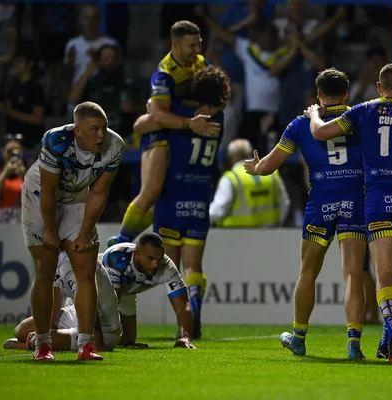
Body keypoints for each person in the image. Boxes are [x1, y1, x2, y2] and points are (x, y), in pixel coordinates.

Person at [307, 63, 392, 361]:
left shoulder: (365, 110)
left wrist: (313, 114)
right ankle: (387, 342)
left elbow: (321, 134)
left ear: (379, 88)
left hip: (380, 197)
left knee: (384, 273)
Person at [244, 68, 368, 359]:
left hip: (321, 201)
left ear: (318, 94)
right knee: (353, 273)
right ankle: (353, 345)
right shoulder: (361, 117)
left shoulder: (301, 123)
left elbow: (270, 165)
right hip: (355, 200)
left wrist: (255, 168)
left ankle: (299, 337)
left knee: (308, 272)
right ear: (346, 94)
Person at [21, 101, 124, 361]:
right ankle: (42, 344)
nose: (101, 135)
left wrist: (85, 232)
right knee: (45, 269)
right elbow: (48, 191)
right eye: (94, 129)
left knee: (85, 270)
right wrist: (51, 231)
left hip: (78, 197)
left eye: (104, 128)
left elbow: (100, 191)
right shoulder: (55, 141)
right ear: (77, 130)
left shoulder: (115, 145)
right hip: (40, 197)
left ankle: (86, 345)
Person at [108, 20, 219, 247]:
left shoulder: (200, 63)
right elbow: (158, 116)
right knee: (152, 191)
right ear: (175, 45)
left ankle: (124, 240)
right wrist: (189, 123)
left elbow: (218, 93)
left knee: (166, 199)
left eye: (199, 44)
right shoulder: (164, 74)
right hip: (162, 132)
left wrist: (211, 107)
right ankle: (121, 242)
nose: (197, 50)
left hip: (178, 132)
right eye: (192, 46)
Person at [151, 66, 230, 339]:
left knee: (170, 269)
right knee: (194, 267)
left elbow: (150, 120)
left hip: (172, 196)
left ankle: (183, 323)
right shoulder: (219, 119)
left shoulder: (181, 116)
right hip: (199, 198)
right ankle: (194, 310)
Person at [3, 251, 121, 352]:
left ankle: (29, 345)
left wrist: (95, 341)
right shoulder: (57, 261)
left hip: (104, 330)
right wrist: (42, 333)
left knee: (36, 340)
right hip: (76, 314)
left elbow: (92, 306)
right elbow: (53, 311)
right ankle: (53, 339)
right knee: (21, 331)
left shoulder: (75, 261)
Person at [103, 233, 196, 349]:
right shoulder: (117, 258)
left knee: (129, 340)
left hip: (127, 291)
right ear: (136, 254)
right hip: (98, 288)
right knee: (106, 338)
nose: (155, 265)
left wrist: (186, 337)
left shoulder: (166, 266)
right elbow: (110, 302)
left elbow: (182, 306)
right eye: (150, 258)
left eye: (159, 259)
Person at [210, 138, 290, 227]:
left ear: (231, 158)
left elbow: (219, 209)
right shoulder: (271, 174)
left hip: (236, 236)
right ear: (250, 153)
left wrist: (199, 220)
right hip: (270, 235)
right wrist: (278, 225)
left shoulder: (231, 178)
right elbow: (285, 203)